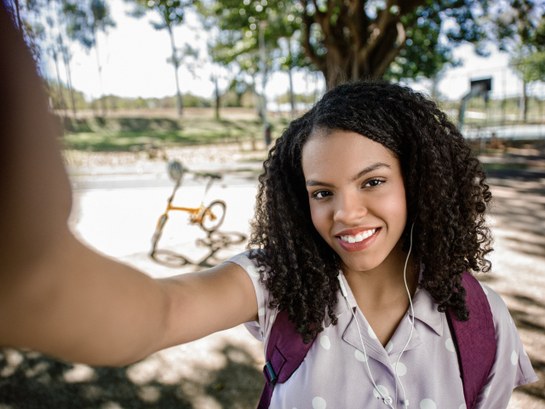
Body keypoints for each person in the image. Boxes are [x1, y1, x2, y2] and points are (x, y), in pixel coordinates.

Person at [0, 4, 537, 408]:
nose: (345, 213)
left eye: (371, 182)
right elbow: (160, 313)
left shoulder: (482, 320)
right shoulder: (281, 282)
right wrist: (32, 277)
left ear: (418, 181)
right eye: (322, 192)